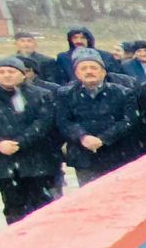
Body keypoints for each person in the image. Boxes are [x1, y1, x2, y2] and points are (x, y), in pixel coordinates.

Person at [0, 55, 61, 222]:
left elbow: (44, 123)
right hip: (5, 164)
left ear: (23, 74)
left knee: (43, 209)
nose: (7, 75)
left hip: (39, 162)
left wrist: (21, 142)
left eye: (11, 71)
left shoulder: (42, 95)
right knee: (14, 209)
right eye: (2, 71)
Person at [56, 48, 139, 177]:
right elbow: (64, 121)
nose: (89, 71)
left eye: (93, 67)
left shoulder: (123, 93)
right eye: (83, 68)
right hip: (84, 156)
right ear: (77, 73)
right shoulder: (65, 94)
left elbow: (129, 121)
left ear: (103, 72)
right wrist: (82, 136)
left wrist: (103, 138)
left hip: (117, 154)